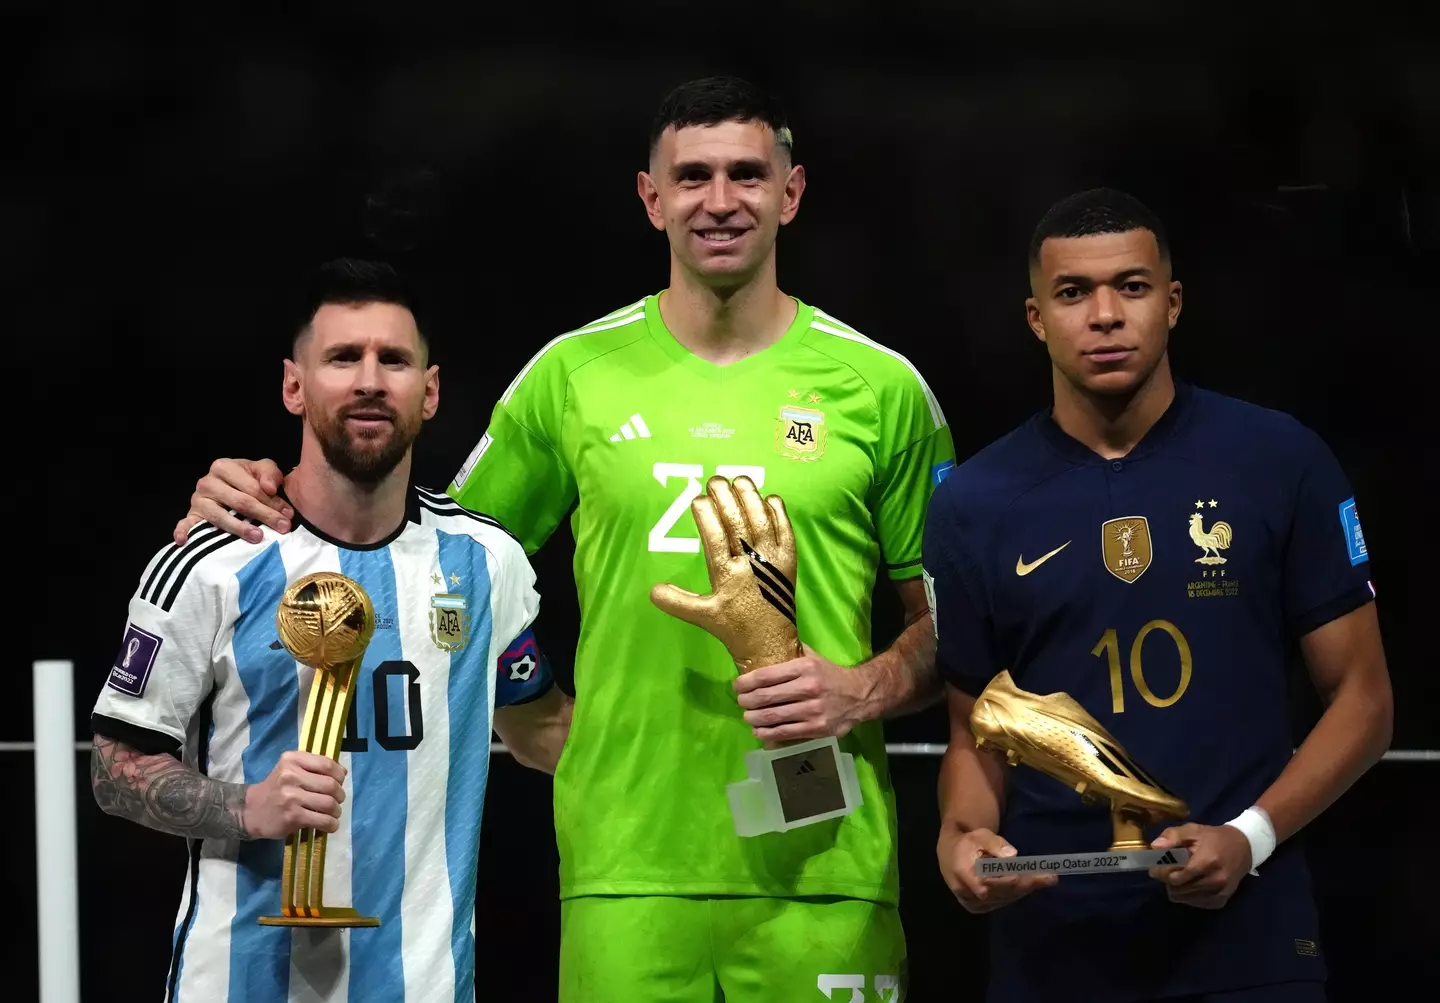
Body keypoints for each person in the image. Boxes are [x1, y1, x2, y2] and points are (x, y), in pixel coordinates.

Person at [173, 76, 953, 1000]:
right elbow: (435, 561)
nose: (720, 200)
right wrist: (269, 498)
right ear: (650, 197)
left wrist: (858, 687)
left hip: (829, 865)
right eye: (691, 175)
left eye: (747, 174)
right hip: (622, 869)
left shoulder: (881, 388)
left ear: (790, 192)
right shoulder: (573, 377)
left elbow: (955, 626)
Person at [923, 187, 1393, 1002]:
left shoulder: (1281, 461)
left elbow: (1365, 700)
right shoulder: (973, 501)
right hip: (1051, 942)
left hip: (1247, 934)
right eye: (1073, 293)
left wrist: (1251, 837)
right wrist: (960, 839)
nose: (1104, 314)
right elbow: (975, 730)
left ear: (1172, 304)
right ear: (1036, 318)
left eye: (1131, 287)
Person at [91, 258, 573, 1003]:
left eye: (395, 359)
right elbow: (114, 765)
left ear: (432, 390)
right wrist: (248, 806)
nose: (371, 380)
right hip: (239, 982)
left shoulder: (487, 564)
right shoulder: (212, 562)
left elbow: (544, 725)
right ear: (294, 385)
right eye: (344, 357)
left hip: (426, 985)